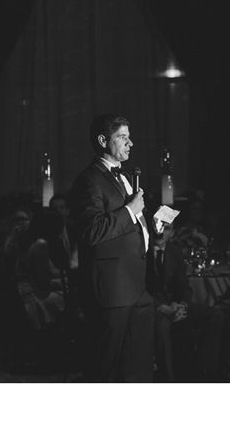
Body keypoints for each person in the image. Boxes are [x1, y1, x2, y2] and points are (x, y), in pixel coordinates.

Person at [69, 114, 154, 382]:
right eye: (123, 137)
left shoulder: (125, 176)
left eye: (129, 137)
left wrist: (151, 228)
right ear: (103, 140)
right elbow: (92, 231)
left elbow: (126, 224)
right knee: (105, 370)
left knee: (137, 368)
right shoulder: (89, 180)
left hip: (138, 286)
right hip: (112, 292)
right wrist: (130, 210)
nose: (131, 143)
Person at [146, 223, 225, 382]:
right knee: (163, 326)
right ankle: (168, 380)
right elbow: (140, 288)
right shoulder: (142, 251)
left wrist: (182, 305)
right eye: (157, 227)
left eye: (166, 228)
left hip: (176, 305)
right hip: (153, 307)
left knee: (216, 316)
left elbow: (184, 286)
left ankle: (205, 374)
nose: (160, 232)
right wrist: (163, 308)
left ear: (172, 233)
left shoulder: (174, 251)